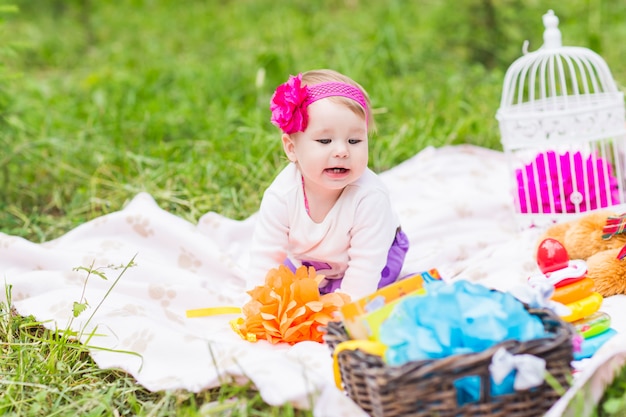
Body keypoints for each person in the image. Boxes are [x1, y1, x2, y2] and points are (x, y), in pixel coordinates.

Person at [248, 69, 408, 299]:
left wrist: (342, 308)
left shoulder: (369, 197)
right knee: (285, 286)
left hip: (375, 258)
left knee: (369, 289)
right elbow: (265, 255)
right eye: (325, 140)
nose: (342, 151)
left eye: (354, 140)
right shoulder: (282, 195)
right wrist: (258, 303)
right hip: (308, 262)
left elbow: (366, 264)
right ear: (292, 148)